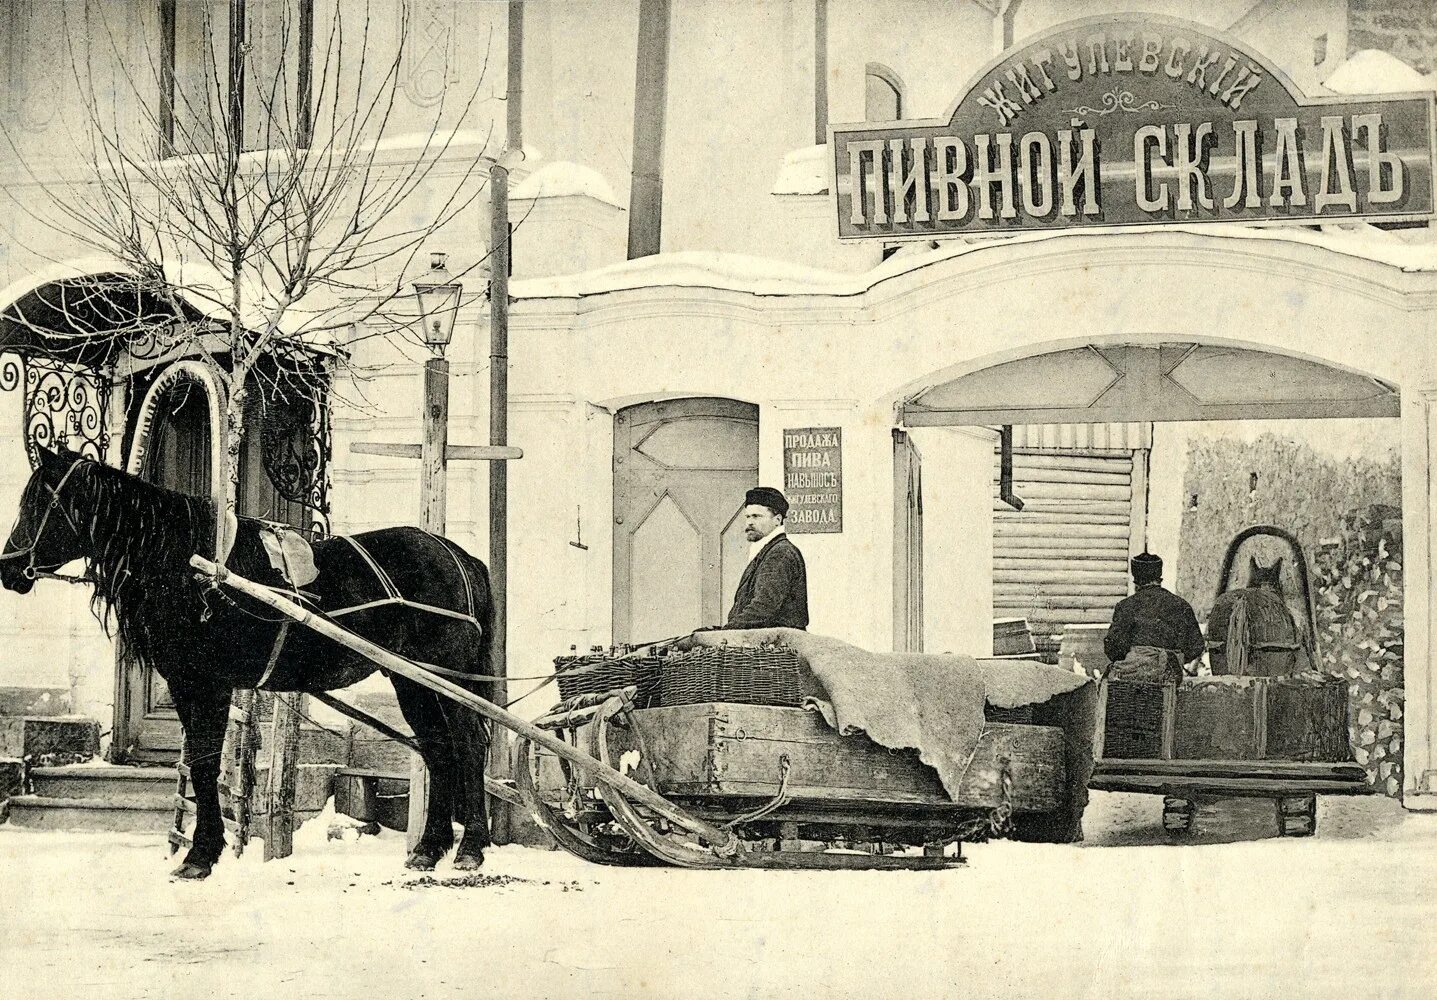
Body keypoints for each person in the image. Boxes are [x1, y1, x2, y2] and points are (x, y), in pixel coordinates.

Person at [1103, 552, 1205, 681]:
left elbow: (1113, 646)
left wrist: (1135, 658)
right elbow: (1196, 645)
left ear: (1136, 581)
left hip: (1131, 677)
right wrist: (1172, 659)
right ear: (1159, 577)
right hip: (1169, 676)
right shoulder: (1181, 605)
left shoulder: (1125, 606)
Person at [722, 486, 809, 630]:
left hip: (776, 646)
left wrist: (725, 631)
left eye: (756, 516)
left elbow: (763, 608)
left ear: (777, 520)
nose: (749, 522)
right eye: (747, 516)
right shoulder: (769, 550)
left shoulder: (780, 553)